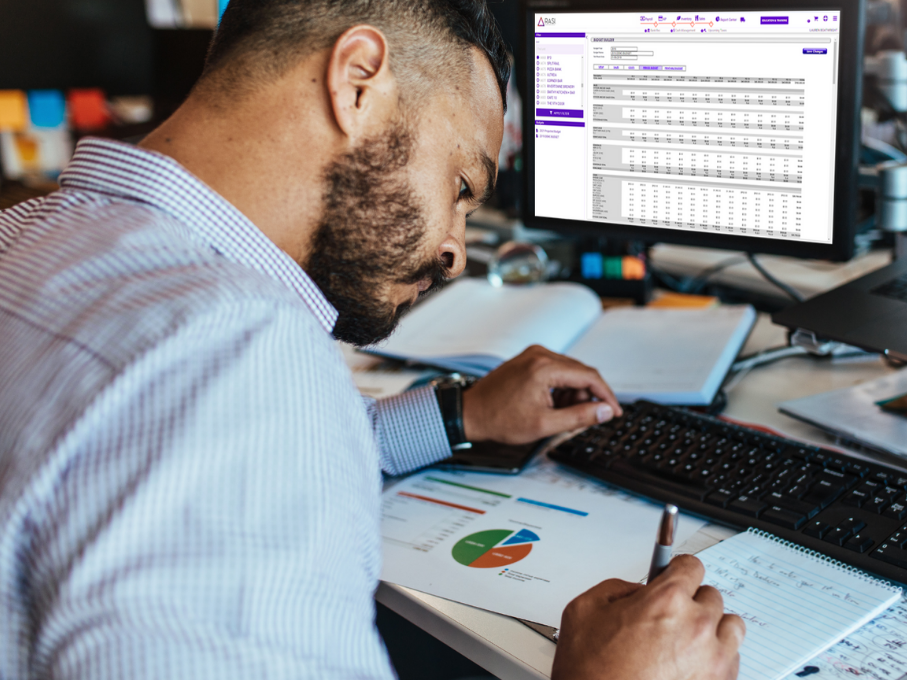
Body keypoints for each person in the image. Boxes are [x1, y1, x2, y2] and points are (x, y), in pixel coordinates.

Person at [0, 1, 744, 678]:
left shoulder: (30, 235)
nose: (455, 249)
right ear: (357, 81)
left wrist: (461, 416)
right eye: (459, 185)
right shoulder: (238, 358)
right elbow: (226, 418)